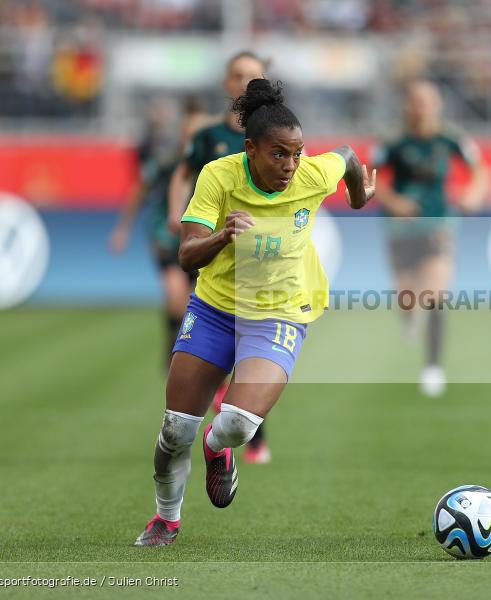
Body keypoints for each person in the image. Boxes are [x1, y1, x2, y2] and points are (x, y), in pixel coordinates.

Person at [134, 78, 376, 547]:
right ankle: (166, 519)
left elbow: (345, 154)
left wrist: (358, 195)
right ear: (250, 149)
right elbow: (186, 255)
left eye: (297, 152)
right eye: (278, 154)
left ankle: (216, 447)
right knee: (174, 430)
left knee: (240, 423)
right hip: (216, 308)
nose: (290, 165)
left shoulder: (310, 173)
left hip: (280, 312)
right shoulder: (218, 176)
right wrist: (221, 237)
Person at [168, 50, 274, 464]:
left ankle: (248, 431)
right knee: (227, 333)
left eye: (254, 76)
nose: (245, 83)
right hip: (216, 251)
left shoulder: (276, 137)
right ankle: (235, 429)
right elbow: (182, 174)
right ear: (226, 83)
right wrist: (177, 216)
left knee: (254, 346)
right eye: (238, 75)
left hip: (261, 259)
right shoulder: (208, 137)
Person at [370, 78, 488, 397]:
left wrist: (473, 195)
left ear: (438, 104)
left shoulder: (451, 138)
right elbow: (372, 180)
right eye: (416, 100)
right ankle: (409, 318)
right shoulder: (392, 140)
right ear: (408, 105)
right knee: (407, 298)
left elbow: (480, 171)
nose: (422, 107)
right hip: (400, 228)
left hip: (439, 224)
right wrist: (395, 202)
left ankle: (433, 367)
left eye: (428, 100)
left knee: (435, 292)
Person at [109, 96, 209, 367]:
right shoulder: (167, 159)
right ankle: (173, 344)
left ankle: (189, 347)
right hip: (166, 234)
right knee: (175, 293)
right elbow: (139, 190)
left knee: (195, 300)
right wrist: (122, 229)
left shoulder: (217, 163)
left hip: (202, 237)